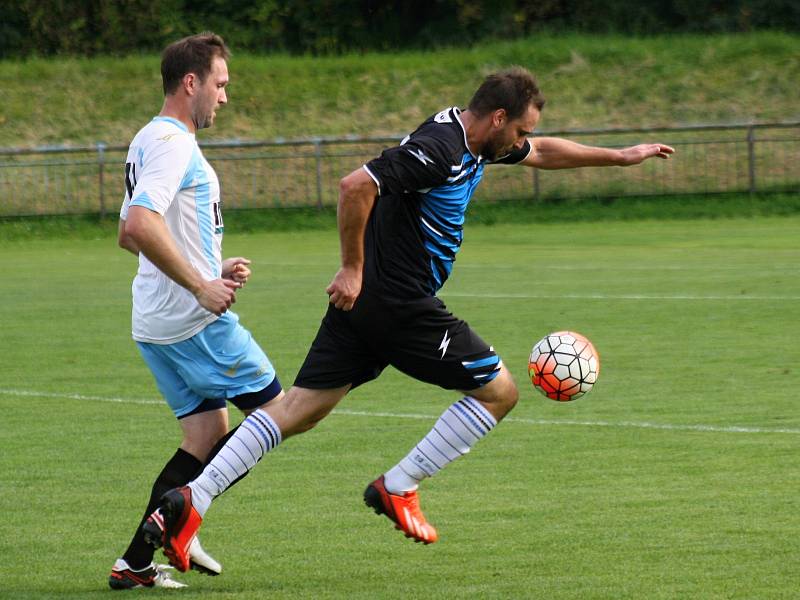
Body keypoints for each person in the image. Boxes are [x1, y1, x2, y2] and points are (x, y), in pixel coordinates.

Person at [144, 66, 674, 568]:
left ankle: (192, 499)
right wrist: (352, 267)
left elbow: (544, 153)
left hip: (366, 307)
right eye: (519, 131)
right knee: (500, 392)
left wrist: (620, 156)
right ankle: (398, 485)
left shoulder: (472, 138)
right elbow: (356, 185)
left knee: (299, 409)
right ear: (496, 119)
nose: (521, 142)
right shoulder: (440, 150)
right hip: (398, 303)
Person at [108, 32, 284, 590]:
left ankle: (135, 563)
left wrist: (211, 264)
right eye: (221, 84)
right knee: (281, 409)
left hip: (155, 320)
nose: (224, 98)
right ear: (192, 83)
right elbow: (136, 227)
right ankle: (183, 513)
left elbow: (132, 230)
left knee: (207, 434)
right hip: (191, 321)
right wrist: (202, 287)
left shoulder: (149, 138)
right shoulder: (173, 142)